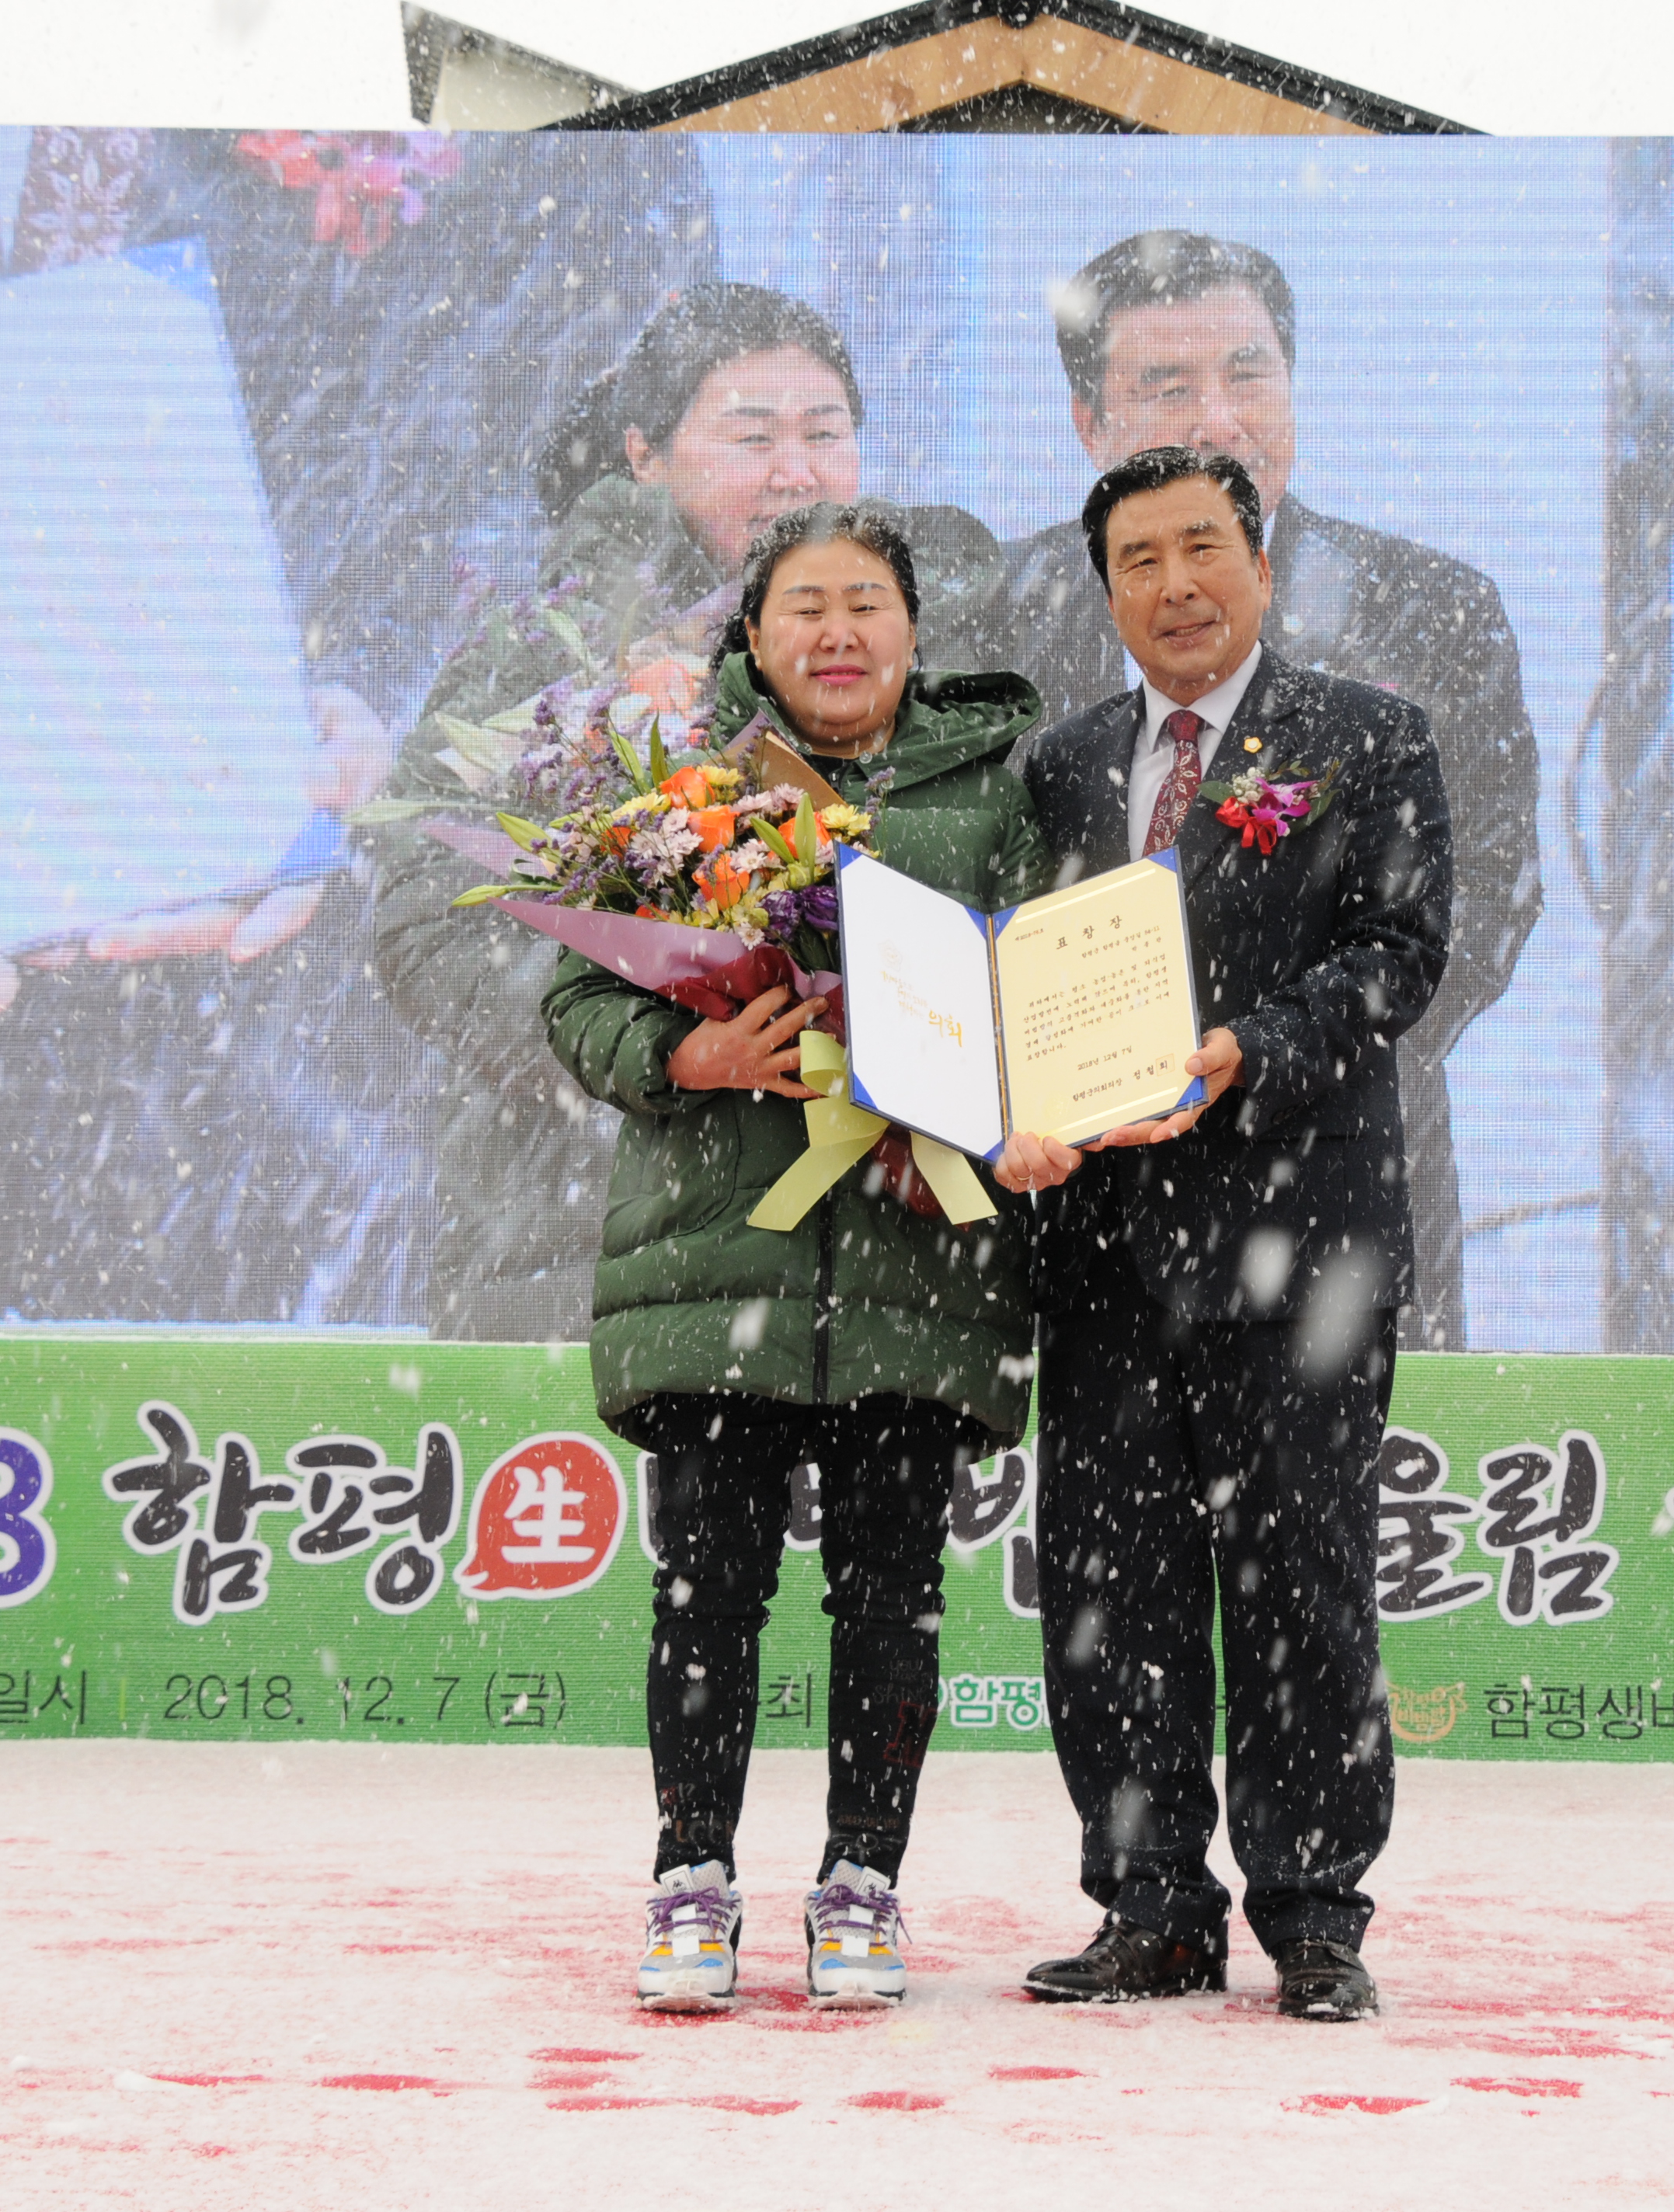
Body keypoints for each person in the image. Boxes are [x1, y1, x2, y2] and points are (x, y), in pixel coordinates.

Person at [541, 501, 1051, 2012]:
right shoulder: (677, 794)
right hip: (721, 1260)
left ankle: (861, 1882)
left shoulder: (994, 799)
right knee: (707, 1585)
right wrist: (687, 1048)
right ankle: (688, 1871)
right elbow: (577, 1001)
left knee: (891, 1592)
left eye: (866, 605)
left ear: (911, 633)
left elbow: (1038, 995)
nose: (836, 632)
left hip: (915, 1256)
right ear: (752, 638)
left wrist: (974, 1070)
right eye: (804, 606)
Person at [994, 447, 1452, 2024]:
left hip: (1297, 1234)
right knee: (1108, 1588)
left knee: (1298, 1581)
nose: (1173, 584)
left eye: (1201, 546)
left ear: (1257, 561)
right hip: (1105, 1249)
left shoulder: (1365, 736)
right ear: (1103, 586)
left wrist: (1251, 1043)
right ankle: (1150, 1906)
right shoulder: (1055, 770)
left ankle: (1314, 1913)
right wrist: (1008, 1105)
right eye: (1137, 558)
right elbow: (1016, 981)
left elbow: (1400, 952)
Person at [374, 283, 999, 1341]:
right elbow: (422, 915)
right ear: (644, 454)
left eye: (825, 433)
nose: (795, 470)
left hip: (878, 1247)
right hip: (581, 1239)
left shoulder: (946, 640)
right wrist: (656, 1042)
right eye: (751, 437)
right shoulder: (545, 655)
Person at [991, 229, 1537, 1351]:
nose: (1218, 416)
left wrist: (1283, 1053)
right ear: (1089, 423)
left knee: (1330, 1527)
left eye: (1249, 374)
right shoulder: (1009, 607)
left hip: (1332, 1181)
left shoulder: (1427, 610)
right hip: (1083, 1197)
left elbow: (1483, 896)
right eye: (1167, 384)